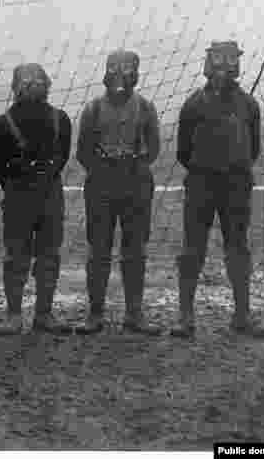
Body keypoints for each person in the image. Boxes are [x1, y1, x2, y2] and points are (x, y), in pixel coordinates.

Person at [172, 41, 264, 339]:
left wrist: (232, 168)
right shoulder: (193, 104)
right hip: (201, 184)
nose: (223, 67)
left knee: (238, 248)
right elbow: (183, 151)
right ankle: (185, 317)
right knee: (193, 250)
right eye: (217, 59)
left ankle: (242, 316)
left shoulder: (249, 105)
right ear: (207, 62)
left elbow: (253, 149)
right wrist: (206, 168)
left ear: (238, 64)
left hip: (236, 185)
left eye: (230, 60)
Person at [76, 50, 162, 335]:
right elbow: (83, 152)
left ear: (136, 73)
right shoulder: (93, 109)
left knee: (135, 250)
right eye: (114, 68)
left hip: (136, 184)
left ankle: (134, 313)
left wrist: (131, 162)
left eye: (127, 69)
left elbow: (154, 149)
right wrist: (105, 166)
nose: (120, 75)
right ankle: (96, 313)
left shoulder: (146, 108)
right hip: (101, 185)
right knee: (98, 250)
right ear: (106, 71)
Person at [0, 63, 72, 335]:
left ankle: (43, 314)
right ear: (14, 86)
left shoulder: (62, 119)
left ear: (47, 84)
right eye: (25, 79)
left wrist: (42, 177)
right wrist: (16, 184)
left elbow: (63, 154)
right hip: (18, 196)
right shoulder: (1, 124)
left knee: (49, 256)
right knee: (16, 257)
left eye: (37, 79)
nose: (31, 84)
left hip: (50, 195)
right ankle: (13, 315)